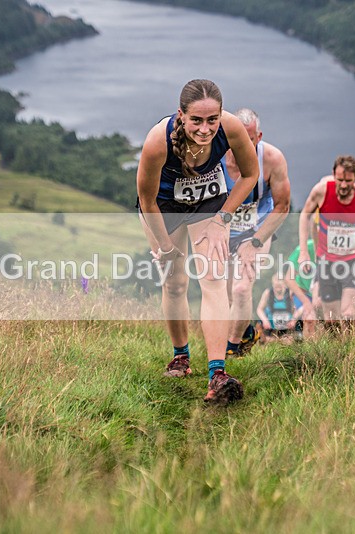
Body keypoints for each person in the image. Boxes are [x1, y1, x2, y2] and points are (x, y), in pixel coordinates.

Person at [136, 79, 259, 405]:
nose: (205, 129)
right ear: (181, 115)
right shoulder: (157, 141)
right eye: (196, 121)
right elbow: (146, 201)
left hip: (208, 201)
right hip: (164, 206)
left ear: (220, 115)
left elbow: (251, 175)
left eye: (212, 120)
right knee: (175, 282)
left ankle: (217, 374)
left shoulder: (230, 127)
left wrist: (223, 220)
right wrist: (164, 247)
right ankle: (181, 357)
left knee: (214, 277)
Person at [223, 108, 291, 357]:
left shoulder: (272, 159)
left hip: (257, 230)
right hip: (223, 231)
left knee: (241, 288)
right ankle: (247, 332)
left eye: (248, 140)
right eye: (234, 139)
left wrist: (255, 242)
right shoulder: (213, 158)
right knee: (227, 294)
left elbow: (283, 206)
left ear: (258, 137)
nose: (240, 145)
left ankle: (231, 350)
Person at [298, 155, 355, 325]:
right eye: (340, 180)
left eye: (348, 180)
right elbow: (304, 216)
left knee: (348, 314)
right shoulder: (321, 191)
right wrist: (303, 252)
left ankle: (354, 351)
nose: (344, 185)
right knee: (331, 321)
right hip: (327, 260)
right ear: (333, 175)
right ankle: (338, 350)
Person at [256, 273, 302, 342]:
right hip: (271, 327)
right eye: (276, 286)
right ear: (273, 284)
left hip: (288, 327)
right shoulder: (268, 293)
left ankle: (291, 340)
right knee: (258, 325)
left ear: (285, 284)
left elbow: (300, 307)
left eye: (280, 286)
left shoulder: (290, 293)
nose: (278, 288)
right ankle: (270, 341)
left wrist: (293, 319)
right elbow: (259, 309)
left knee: (290, 339)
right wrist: (265, 320)